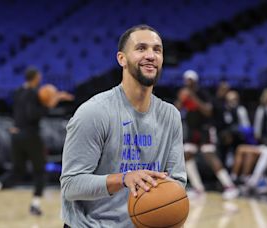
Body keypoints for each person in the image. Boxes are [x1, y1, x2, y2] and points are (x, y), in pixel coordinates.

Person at [60, 25, 186, 228]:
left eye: (157, 49)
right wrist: (125, 178)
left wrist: (170, 208)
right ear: (122, 59)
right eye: (141, 48)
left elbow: (177, 182)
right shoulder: (94, 112)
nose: (151, 55)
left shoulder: (170, 116)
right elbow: (71, 185)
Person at [0, 67, 73, 216]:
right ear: (36, 78)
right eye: (39, 76)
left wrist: (55, 97)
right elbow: (34, 114)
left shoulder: (18, 91)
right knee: (41, 171)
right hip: (30, 135)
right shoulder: (34, 93)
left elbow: (20, 112)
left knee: (18, 171)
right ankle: (35, 206)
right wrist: (50, 103)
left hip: (16, 134)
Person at [175, 70, 239, 200]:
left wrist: (192, 96)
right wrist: (181, 100)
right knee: (187, 155)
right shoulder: (184, 94)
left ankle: (230, 186)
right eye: (186, 80)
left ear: (195, 81)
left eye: (190, 80)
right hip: (192, 130)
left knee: (209, 155)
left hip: (205, 129)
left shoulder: (202, 93)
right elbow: (176, 110)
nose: (188, 82)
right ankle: (198, 188)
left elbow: (208, 111)